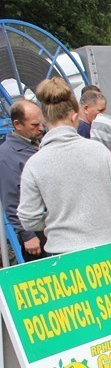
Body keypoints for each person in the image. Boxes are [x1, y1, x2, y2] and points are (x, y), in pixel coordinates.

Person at [17, 78, 111, 255]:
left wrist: (58, 222)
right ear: (75, 117)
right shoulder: (98, 151)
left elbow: (28, 218)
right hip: (108, 248)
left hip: (64, 256)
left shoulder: (34, 164)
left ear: (45, 121)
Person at [0, 100, 47, 262]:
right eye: (34, 125)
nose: (40, 128)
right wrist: (28, 236)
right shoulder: (7, 155)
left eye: (41, 123)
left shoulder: (40, 144)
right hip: (36, 234)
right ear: (17, 124)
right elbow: (12, 199)